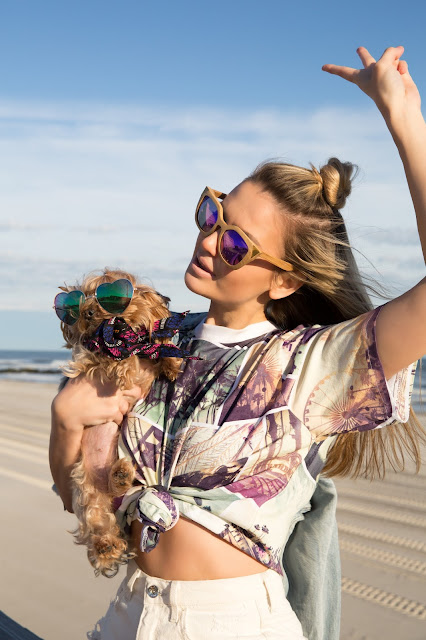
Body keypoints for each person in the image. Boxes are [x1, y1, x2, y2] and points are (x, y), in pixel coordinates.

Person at [50, 45, 426, 639]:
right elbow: (75, 495)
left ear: (284, 280)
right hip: (130, 614)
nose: (208, 241)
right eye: (213, 214)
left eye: (234, 245)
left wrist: (403, 116)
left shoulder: (309, 363)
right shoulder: (154, 344)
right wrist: (65, 420)